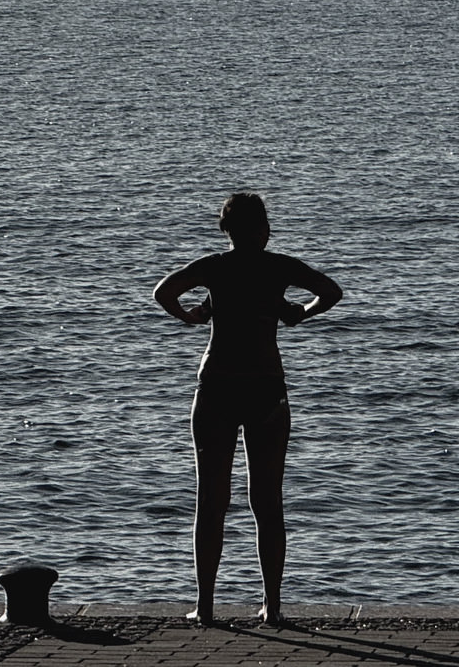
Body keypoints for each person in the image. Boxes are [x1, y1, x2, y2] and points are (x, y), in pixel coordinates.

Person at [154, 192, 343, 627]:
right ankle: (271, 606)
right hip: (265, 387)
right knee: (267, 499)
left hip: (217, 383)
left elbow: (164, 291)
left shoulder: (214, 267)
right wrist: (296, 312)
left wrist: (193, 317)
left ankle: (204, 606)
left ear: (227, 230)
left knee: (211, 499)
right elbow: (330, 292)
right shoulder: (279, 267)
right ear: (263, 229)